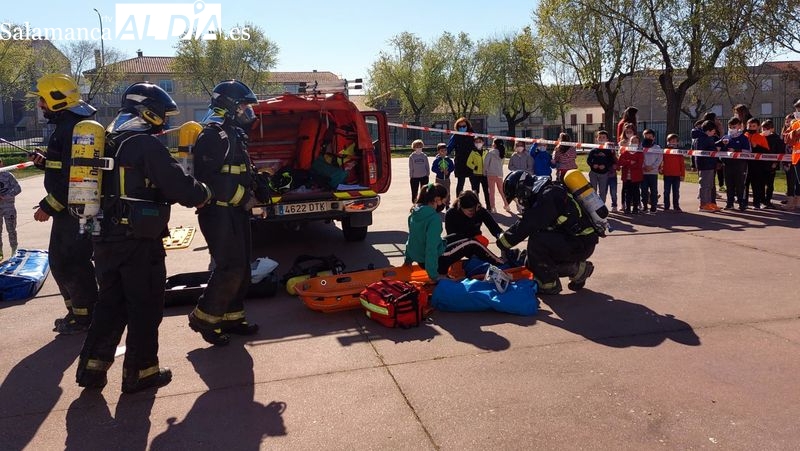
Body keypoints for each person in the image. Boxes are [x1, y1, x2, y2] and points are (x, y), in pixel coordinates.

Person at [76, 82, 212, 393]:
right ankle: (141, 372)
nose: (164, 120)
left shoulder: (108, 141)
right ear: (147, 112)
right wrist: (203, 192)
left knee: (110, 304)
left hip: (103, 236)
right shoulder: (143, 144)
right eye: (162, 114)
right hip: (137, 241)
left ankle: (91, 370)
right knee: (146, 305)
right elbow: (176, 184)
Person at [188, 80, 261, 347]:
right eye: (243, 106)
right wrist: (244, 197)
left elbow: (239, 172)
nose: (247, 111)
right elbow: (208, 178)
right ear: (229, 106)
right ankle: (205, 318)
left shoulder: (233, 134)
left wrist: (259, 185)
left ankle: (232, 317)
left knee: (242, 268)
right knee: (229, 267)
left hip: (235, 212)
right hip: (218, 213)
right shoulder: (212, 134)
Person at [27, 73, 99, 335]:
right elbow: (67, 166)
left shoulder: (70, 129)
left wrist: (48, 206)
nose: (40, 105)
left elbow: (73, 177)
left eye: (43, 100)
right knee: (64, 261)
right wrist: (46, 162)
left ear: (56, 100)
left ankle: (84, 317)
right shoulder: (71, 126)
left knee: (71, 262)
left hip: (74, 210)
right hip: (75, 209)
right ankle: (79, 313)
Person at [497, 171, 600, 295]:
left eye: (518, 197)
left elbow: (527, 225)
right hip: (575, 241)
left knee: (537, 242)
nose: (519, 201)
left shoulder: (547, 197)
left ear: (523, 190)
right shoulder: (544, 192)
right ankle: (579, 270)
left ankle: (549, 284)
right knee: (531, 262)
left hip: (580, 244)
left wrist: (503, 242)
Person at [403, 183, 504, 282]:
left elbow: (411, 240)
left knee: (466, 240)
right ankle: (501, 264)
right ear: (437, 200)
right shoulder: (434, 218)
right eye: (443, 201)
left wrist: (408, 259)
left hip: (426, 259)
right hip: (437, 261)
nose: (443, 205)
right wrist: (434, 275)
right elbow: (431, 248)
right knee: (472, 243)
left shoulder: (414, 214)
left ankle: (492, 260)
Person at [719, 118, 751, 211]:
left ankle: (742, 203)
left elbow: (748, 151)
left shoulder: (743, 138)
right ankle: (730, 203)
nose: (732, 128)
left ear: (740, 126)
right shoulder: (726, 137)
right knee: (729, 184)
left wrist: (736, 151)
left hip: (740, 165)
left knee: (740, 184)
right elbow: (719, 148)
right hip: (727, 164)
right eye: (730, 127)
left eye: (734, 127)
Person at [694, 120, 722, 211]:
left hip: (710, 164)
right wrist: (714, 149)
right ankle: (703, 204)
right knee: (705, 185)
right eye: (714, 131)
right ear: (709, 130)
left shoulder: (707, 138)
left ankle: (709, 203)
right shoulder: (701, 138)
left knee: (710, 185)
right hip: (705, 165)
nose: (714, 133)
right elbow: (702, 151)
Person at [744, 118, 770, 209]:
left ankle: (756, 203)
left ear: (758, 127)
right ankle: (744, 203)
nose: (751, 128)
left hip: (757, 166)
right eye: (749, 126)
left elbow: (767, 152)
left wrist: (757, 147)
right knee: (744, 184)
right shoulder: (744, 136)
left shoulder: (761, 137)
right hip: (745, 165)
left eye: (753, 126)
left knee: (757, 185)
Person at [586, 130, 616, 209]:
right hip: (593, 173)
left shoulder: (608, 151)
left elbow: (611, 161)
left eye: (603, 137)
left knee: (602, 191)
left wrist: (605, 166)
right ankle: (594, 206)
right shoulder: (593, 150)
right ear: (596, 139)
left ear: (607, 140)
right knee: (593, 190)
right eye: (600, 137)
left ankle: (601, 206)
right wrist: (593, 165)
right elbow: (588, 160)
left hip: (604, 174)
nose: (601, 139)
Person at [446, 117, 475, 195]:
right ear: (457, 127)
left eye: (464, 126)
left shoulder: (472, 134)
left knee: (474, 184)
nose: (462, 128)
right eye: (460, 127)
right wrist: (443, 154)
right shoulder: (455, 136)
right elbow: (450, 147)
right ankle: (458, 202)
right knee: (460, 184)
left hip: (472, 162)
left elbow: (478, 145)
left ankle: (476, 202)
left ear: (467, 126)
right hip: (460, 162)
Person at [617, 134, 644, 214]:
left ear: (639, 143)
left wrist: (627, 163)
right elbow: (620, 162)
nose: (634, 142)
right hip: (626, 177)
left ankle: (635, 208)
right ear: (629, 142)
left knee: (636, 193)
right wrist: (630, 162)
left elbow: (639, 164)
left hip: (636, 177)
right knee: (627, 193)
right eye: (632, 141)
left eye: (636, 141)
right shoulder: (625, 152)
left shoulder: (640, 153)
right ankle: (627, 208)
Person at [0, 160, 21, 260]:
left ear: (2, 163)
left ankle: (14, 249)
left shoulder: (8, 175)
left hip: (8, 208)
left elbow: (18, 188)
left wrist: (6, 196)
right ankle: (0, 252)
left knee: (11, 229)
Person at [483, 138, 511, 213]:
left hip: (490, 174)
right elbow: (501, 164)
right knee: (502, 191)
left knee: (491, 192)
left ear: (494, 144)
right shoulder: (502, 153)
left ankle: (493, 208)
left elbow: (486, 164)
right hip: (499, 174)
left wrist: (484, 172)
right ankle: (507, 205)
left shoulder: (490, 153)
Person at [640, 129, 662, 213]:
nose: (648, 138)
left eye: (650, 137)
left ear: (654, 138)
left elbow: (659, 159)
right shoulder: (641, 147)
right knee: (644, 190)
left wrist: (652, 167)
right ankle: (645, 205)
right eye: (646, 137)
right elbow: (640, 158)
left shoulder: (657, 148)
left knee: (654, 190)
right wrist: (644, 166)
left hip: (653, 172)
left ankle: (653, 206)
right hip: (643, 172)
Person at [760, 119, 782, 209]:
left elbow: (780, 151)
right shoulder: (760, 137)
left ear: (772, 129)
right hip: (761, 164)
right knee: (761, 183)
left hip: (771, 165)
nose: (764, 130)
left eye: (766, 128)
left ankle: (768, 201)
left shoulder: (776, 138)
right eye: (763, 128)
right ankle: (762, 201)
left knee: (770, 184)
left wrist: (775, 162)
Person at [661, 133, 686, 212]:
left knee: (676, 192)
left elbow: (682, 164)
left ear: (677, 142)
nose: (673, 142)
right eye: (671, 141)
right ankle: (666, 206)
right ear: (667, 142)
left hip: (676, 175)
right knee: (666, 191)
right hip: (667, 174)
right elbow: (661, 162)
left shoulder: (679, 152)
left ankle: (676, 206)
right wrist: (661, 169)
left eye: (675, 141)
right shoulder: (665, 152)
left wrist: (682, 174)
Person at [782, 108, 800, 211]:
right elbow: (787, 141)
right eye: (787, 121)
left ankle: (797, 203)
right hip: (792, 159)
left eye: (790, 120)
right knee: (791, 181)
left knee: (797, 182)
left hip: (796, 158)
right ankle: (791, 202)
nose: (788, 122)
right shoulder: (792, 127)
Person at [466, 136, 490, 207]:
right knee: (476, 191)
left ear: (483, 142)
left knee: (486, 191)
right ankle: (477, 205)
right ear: (474, 143)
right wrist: (474, 167)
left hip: (485, 175)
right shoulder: (473, 152)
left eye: (480, 141)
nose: (478, 143)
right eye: (476, 142)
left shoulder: (486, 152)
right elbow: (468, 163)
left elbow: (489, 161)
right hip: (475, 175)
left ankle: (488, 205)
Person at [431, 143, 454, 208]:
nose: (444, 152)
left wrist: (448, 171)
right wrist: (439, 170)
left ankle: (447, 204)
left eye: (445, 150)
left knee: (447, 192)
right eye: (442, 151)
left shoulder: (449, 160)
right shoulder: (437, 160)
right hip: (439, 179)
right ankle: (438, 205)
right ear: (438, 152)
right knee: (438, 192)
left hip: (446, 179)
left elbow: (452, 167)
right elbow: (433, 168)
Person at [408, 139, 430, 203]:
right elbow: (411, 167)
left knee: (424, 191)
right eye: (417, 147)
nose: (419, 148)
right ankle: (414, 203)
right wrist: (411, 175)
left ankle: (423, 202)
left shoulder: (424, 156)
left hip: (424, 176)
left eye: (420, 147)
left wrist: (427, 173)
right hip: (415, 177)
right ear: (414, 148)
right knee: (414, 191)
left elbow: (427, 165)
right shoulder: (412, 156)